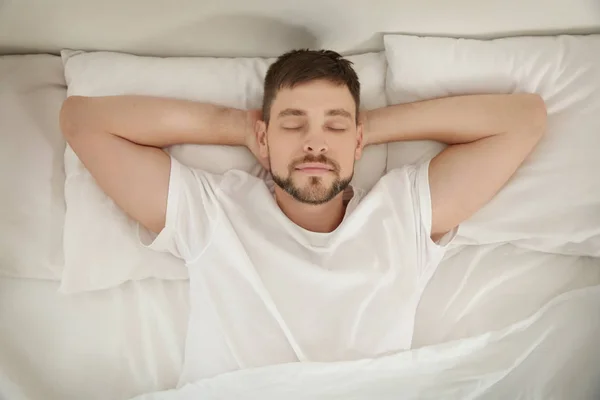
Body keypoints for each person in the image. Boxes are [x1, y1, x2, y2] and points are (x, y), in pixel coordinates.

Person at [59, 49, 546, 380]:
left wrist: (364, 129)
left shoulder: (402, 213)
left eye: (334, 125)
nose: (314, 141)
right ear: (265, 137)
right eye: (293, 125)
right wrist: (237, 127)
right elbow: (82, 121)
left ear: (358, 140)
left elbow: (523, 119)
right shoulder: (213, 212)